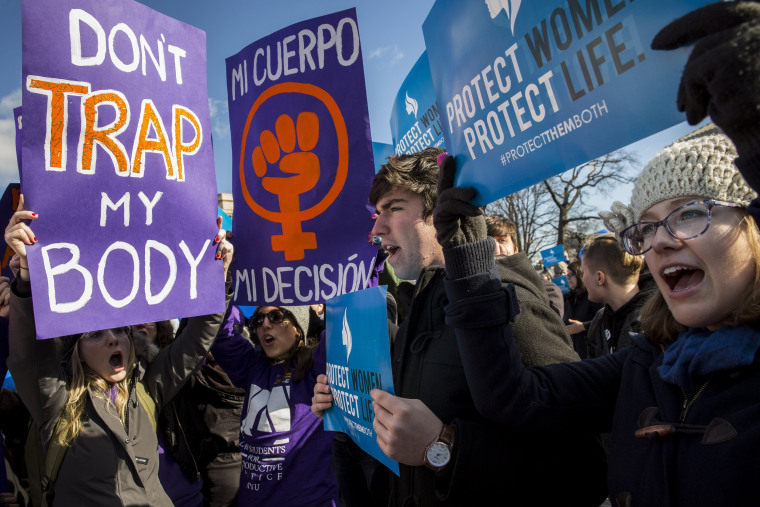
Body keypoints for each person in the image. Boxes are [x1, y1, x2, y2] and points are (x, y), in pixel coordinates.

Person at [437, 122, 760, 505]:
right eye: (647, 227)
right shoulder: (647, 363)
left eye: (688, 213)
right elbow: (513, 396)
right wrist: (469, 256)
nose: (657, 241)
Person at [313, 148, 606, 506]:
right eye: (378, 213)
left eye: (394, 208)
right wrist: (348, 407)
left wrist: (443, 447)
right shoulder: (417, 308)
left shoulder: (501, 294)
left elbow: (584, 467)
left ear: (440, 211)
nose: (376, 228)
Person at [4, 197, 234, 506]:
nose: (114, 339)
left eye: (121, 331)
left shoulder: (147, 387)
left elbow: (195, 343)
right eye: (96, 334)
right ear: (77, 352)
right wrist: (28, 278)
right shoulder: (57, 399)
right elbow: (28, 356)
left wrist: (215, 278)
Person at [212, 304, 339, 506]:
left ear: (299, 327)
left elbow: (342, 326)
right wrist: (224, 285)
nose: (265, 325)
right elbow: (220, 332)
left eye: (276, 316)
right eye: (258, 320)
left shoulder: (316, 369)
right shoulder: (252, 366)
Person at [580, 234, 645, 358]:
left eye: (583, 272)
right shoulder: (599, 320)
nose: (582, 279)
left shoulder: (655, 321)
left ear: (599, 277)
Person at [563, 260, 603, 359]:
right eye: (566, 275)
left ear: (579, 274)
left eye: (570, 275)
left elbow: (604, 319)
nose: (567, 278)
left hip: (592, 354)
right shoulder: (570, 298)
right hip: (574, 354)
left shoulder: (592, 296)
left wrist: (583, 326)